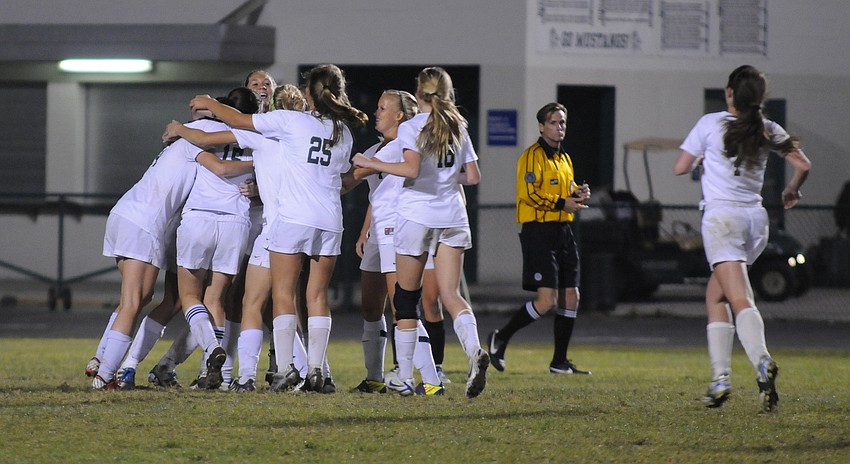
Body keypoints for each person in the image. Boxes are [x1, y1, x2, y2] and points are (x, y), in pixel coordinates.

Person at [189, 63, 368, 392]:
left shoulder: (291, 121)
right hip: (330, 220)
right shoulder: (344, 131)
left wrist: (210, 103)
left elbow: (241, 121)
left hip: (292, 218)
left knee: (283, 294)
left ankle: (286, 369)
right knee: (316, 296)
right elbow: (341, 178)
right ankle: (316, 368)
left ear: (309, 94)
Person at [89, 93, 255, 390]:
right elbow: (222, 166)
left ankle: (101, 360)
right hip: (148, 221)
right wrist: (260, 162)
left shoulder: (191, 134)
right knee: (135, 300)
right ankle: (106, 377)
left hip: (127, 213)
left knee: (140, 298)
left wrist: (179, 127)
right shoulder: (202, 133)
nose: (196, 107)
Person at [673, 65, 810, 412]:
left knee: (740, 298)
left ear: (729, 92)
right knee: (715, 295)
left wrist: (701, 158)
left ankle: (762, 361)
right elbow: (802, 164)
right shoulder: (767, 128)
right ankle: (721, 379)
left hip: (723, 220)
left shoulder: (710, 124)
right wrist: (792, 189)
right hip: (756, 222)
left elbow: (680, 166)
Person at [353, 67, 488, 399]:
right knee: (450, 295)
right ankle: (474, 352)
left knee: (406, 297)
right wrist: (444, 181)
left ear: (420, 91)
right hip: (454, 217)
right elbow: (472, 177)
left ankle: (403, 372)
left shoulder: (412, 127)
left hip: (417, 216)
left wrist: (373, 164)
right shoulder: (458, 125)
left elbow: (411, 169)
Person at [486, 102, 591, 376]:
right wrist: (561, 203)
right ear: (542, 126)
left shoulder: (564, 158)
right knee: (546, 301)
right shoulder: (531, 156)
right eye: (554, 122)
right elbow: (528, 194)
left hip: (563, 232)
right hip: (539, 231)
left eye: (563, 122)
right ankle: (501, 337)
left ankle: (559, 361)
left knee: (572, 295)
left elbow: (564, 190)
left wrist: (578, 193)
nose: (560, 127)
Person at [351, 90, 445, 396]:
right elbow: (374, 191)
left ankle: (432, 381)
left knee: (401, 306)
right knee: (370, 305)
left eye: (382, 108)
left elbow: (358, 173)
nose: (376, 113)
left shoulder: (402, 145)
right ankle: (374, 377)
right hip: (379, 230)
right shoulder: (377, 148)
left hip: (397, 229)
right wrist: (365, 229)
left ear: (400, 116)